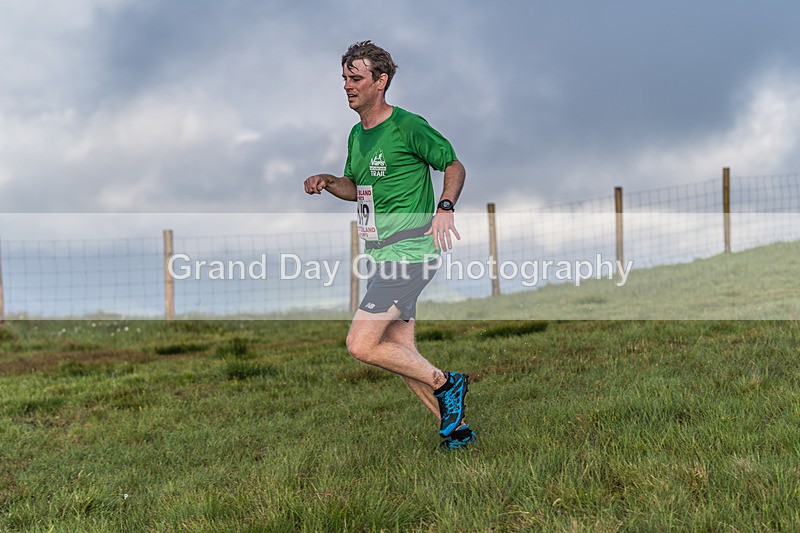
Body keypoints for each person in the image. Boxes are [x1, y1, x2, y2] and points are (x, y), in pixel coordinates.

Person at [303, 41, 475, 452]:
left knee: (361, 344)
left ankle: (446, 383)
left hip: (411, 253)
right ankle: (457, 433)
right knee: (399, 351)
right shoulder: (356, 135)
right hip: (380, 256)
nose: (347, 86)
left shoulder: (407, 126)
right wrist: (329, 181)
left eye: (356, 78)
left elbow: (453, 165)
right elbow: (356, 187)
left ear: (380, 82)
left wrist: (445, 207)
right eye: (344, 78)